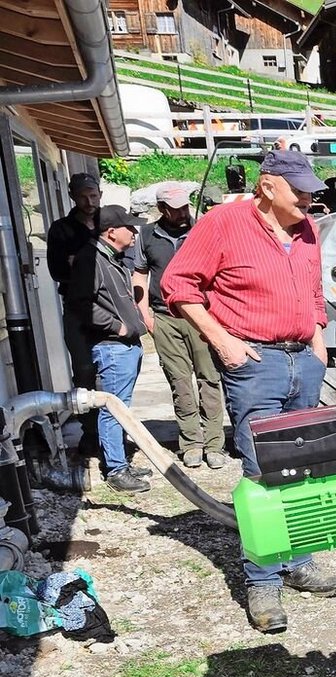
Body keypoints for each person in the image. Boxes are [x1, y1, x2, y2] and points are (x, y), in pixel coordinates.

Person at [162, 149, 336, 634]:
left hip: (302, 361)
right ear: (267, 186)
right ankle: (263, 579)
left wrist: (318, 343)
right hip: (255, 362)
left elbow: (311, 291)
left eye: (311, 189)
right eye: (300, 189)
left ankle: (300, 562)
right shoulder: (223, 223)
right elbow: (177, 285)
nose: (310, 197)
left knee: (305, 468)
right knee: (263, 472)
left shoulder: (306, 228)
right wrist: (223, 342)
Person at [132, 184, 228, 471]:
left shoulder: (201, 230)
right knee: (180, 382)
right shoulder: (147, 236)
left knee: (209, 380)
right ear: (162, 209)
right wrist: (145, 316)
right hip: (165, 317)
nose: (183, 212)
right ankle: (191, 444)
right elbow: (139, 275)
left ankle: (214, 444)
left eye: (186, 207)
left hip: (201, 316)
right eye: (176, 209)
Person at [67, 206, 150, 493]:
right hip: (112, 348)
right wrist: (119, 327)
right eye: (129, 227)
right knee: (113, 409)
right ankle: (115, 470)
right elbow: (81, 303)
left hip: (123, 347)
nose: (135, 231)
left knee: (120, 407)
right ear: (112, 232)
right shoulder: (91, 259)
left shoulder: (110, 257)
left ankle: (120, 462)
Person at [47, 173, 103, 451]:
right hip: (77, 309)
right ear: (72, 196)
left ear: (100, 194)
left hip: (108, 306)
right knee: (83, 370)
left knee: (113, 371)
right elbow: (57, 270)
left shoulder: (109, 222)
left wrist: (78, 261)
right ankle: (91, 434)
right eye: (82, 196)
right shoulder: (61, 230)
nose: (89, 201)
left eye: (93, 195)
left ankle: (114, 433)